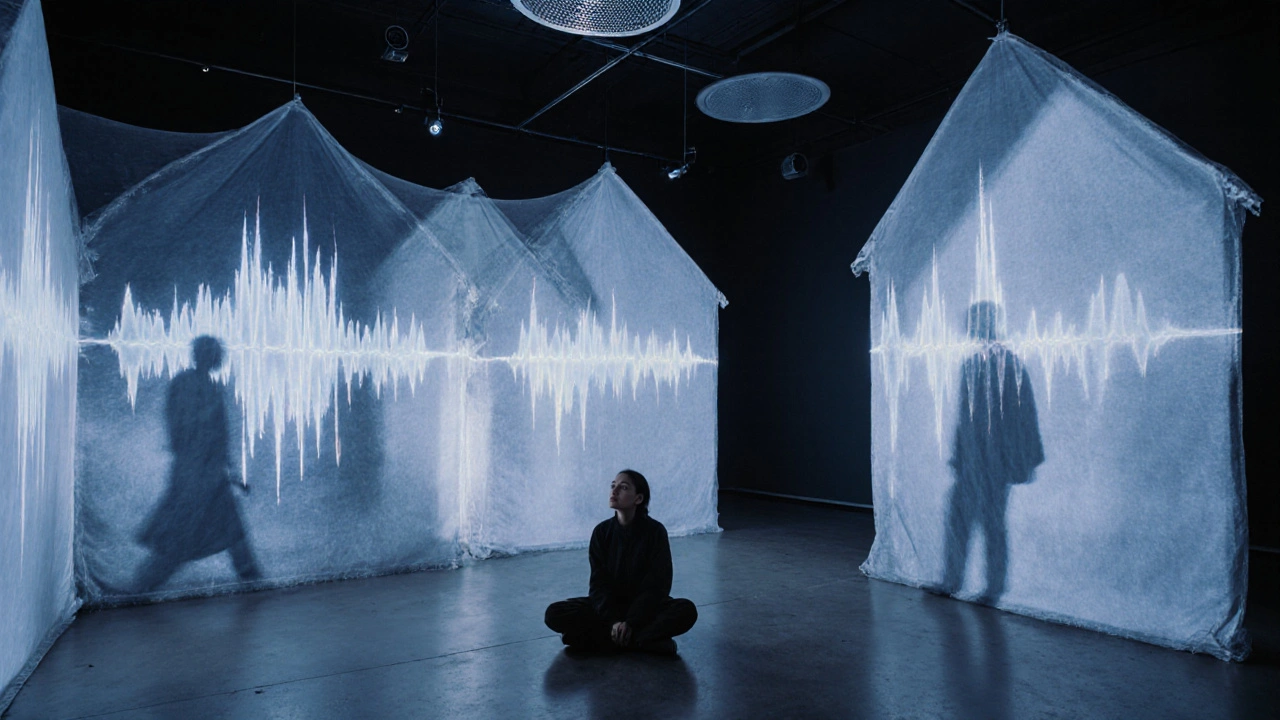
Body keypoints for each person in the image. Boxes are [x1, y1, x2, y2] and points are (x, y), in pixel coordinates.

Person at [133, 335, 261, 593]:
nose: (220, 357)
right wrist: (206, 466)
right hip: (196, 476)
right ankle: (140, 587)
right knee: (185, 536)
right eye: (216, 352)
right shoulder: (187, 384)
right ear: (205, 355)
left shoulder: (207, 386)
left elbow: (216, 437)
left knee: (230, 531)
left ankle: (254, 582)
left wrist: (231, 473)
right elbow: (184, 430)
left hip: (208, 476)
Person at [941, 301, 1044, 604]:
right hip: (975, 461)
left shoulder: (1009, 365)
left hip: (994, 463)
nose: (969, 326)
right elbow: (965, 417)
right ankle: (958, 581)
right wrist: (959, 456)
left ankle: (988, 588)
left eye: (974, 320)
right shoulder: (973, 365)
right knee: (968, 520)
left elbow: (1025, 414)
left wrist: (1024, 460)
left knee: (991, 524)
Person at [544, 470, 698, 656]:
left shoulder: (655, 532)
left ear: (638, 499)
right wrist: (615, 621)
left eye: (623, 487)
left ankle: (603, 641)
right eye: (613, 486)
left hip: (645, 609)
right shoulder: (601, 532)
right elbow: (598, 584)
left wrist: (632, 622)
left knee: (686, 610)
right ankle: (642, 642)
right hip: (609, 609)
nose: (614, 491)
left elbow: (657, 585)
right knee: (554, 613)